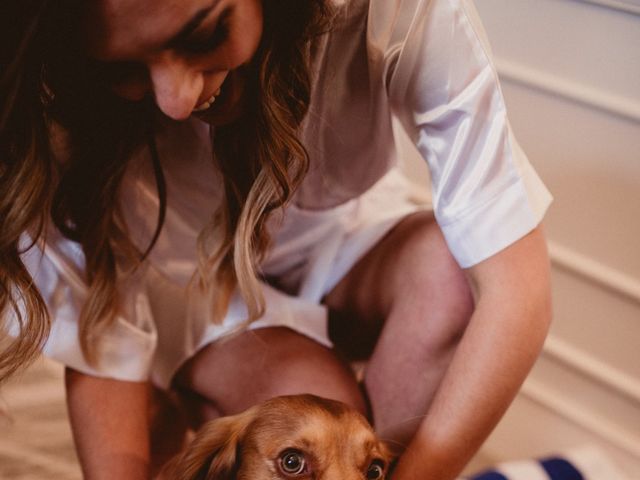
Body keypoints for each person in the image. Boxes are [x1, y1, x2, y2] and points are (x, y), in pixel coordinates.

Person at [0, 0, 553, 478]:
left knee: (453, 273)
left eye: (204, 32)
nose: (176, 98)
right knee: (315, 393)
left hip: (342, 238)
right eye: (124, 68)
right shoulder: (56, 104)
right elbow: (103, 342)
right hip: (181, 280)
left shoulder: (389, 9)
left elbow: (515, 289)